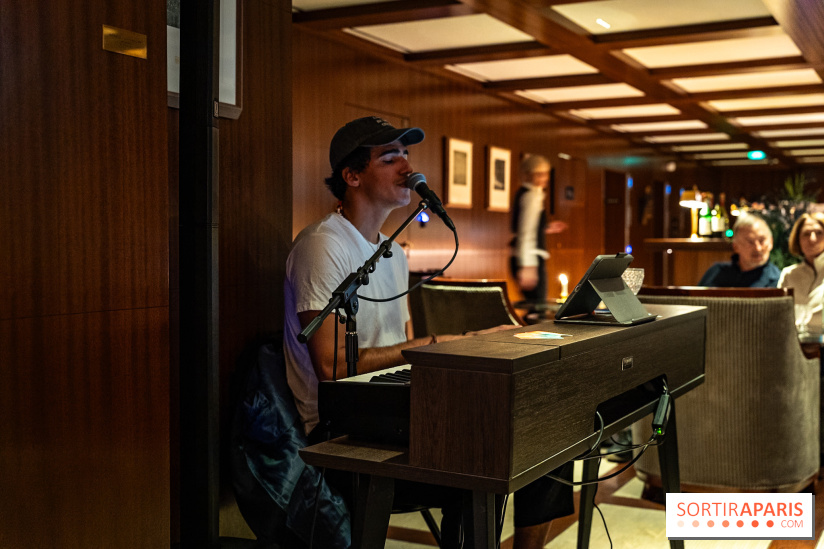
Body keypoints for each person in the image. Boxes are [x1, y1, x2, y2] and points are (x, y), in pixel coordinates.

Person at [284, 116, 573, 549]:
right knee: (489, 451)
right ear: (353, 175)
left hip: (389, 408)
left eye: (407, 154)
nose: (408, 168)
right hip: (338, 429)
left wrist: (469, 352)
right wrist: (434, 345)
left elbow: (401, 356)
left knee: (546, 426)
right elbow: (332, 366)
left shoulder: (394, 255)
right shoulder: (324, 245)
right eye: (390, 157)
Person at [510, 155, 567, 310]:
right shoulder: (531, 196)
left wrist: (546, 228)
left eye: (546, 174)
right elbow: (526, 234)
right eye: (539, 174)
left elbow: (527, 228)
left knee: (535, 309)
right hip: (529, 260)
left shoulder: (528, 193)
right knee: (537, 310)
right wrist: (528, 266)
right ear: (527, 175)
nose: (545, 178)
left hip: (525, 258)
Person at [697, 213, 780, 287]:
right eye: (750, 242)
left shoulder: (777, 281)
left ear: (771, 242)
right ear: (735, 246)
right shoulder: (716, 272)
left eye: (762, 240)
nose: (758, 248)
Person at [778, 212, 824, 333]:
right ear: (798, 239)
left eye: (819, 233)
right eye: (806, 234)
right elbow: (779, 316)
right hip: (795, 345)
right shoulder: (789, 274)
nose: (812, 239)